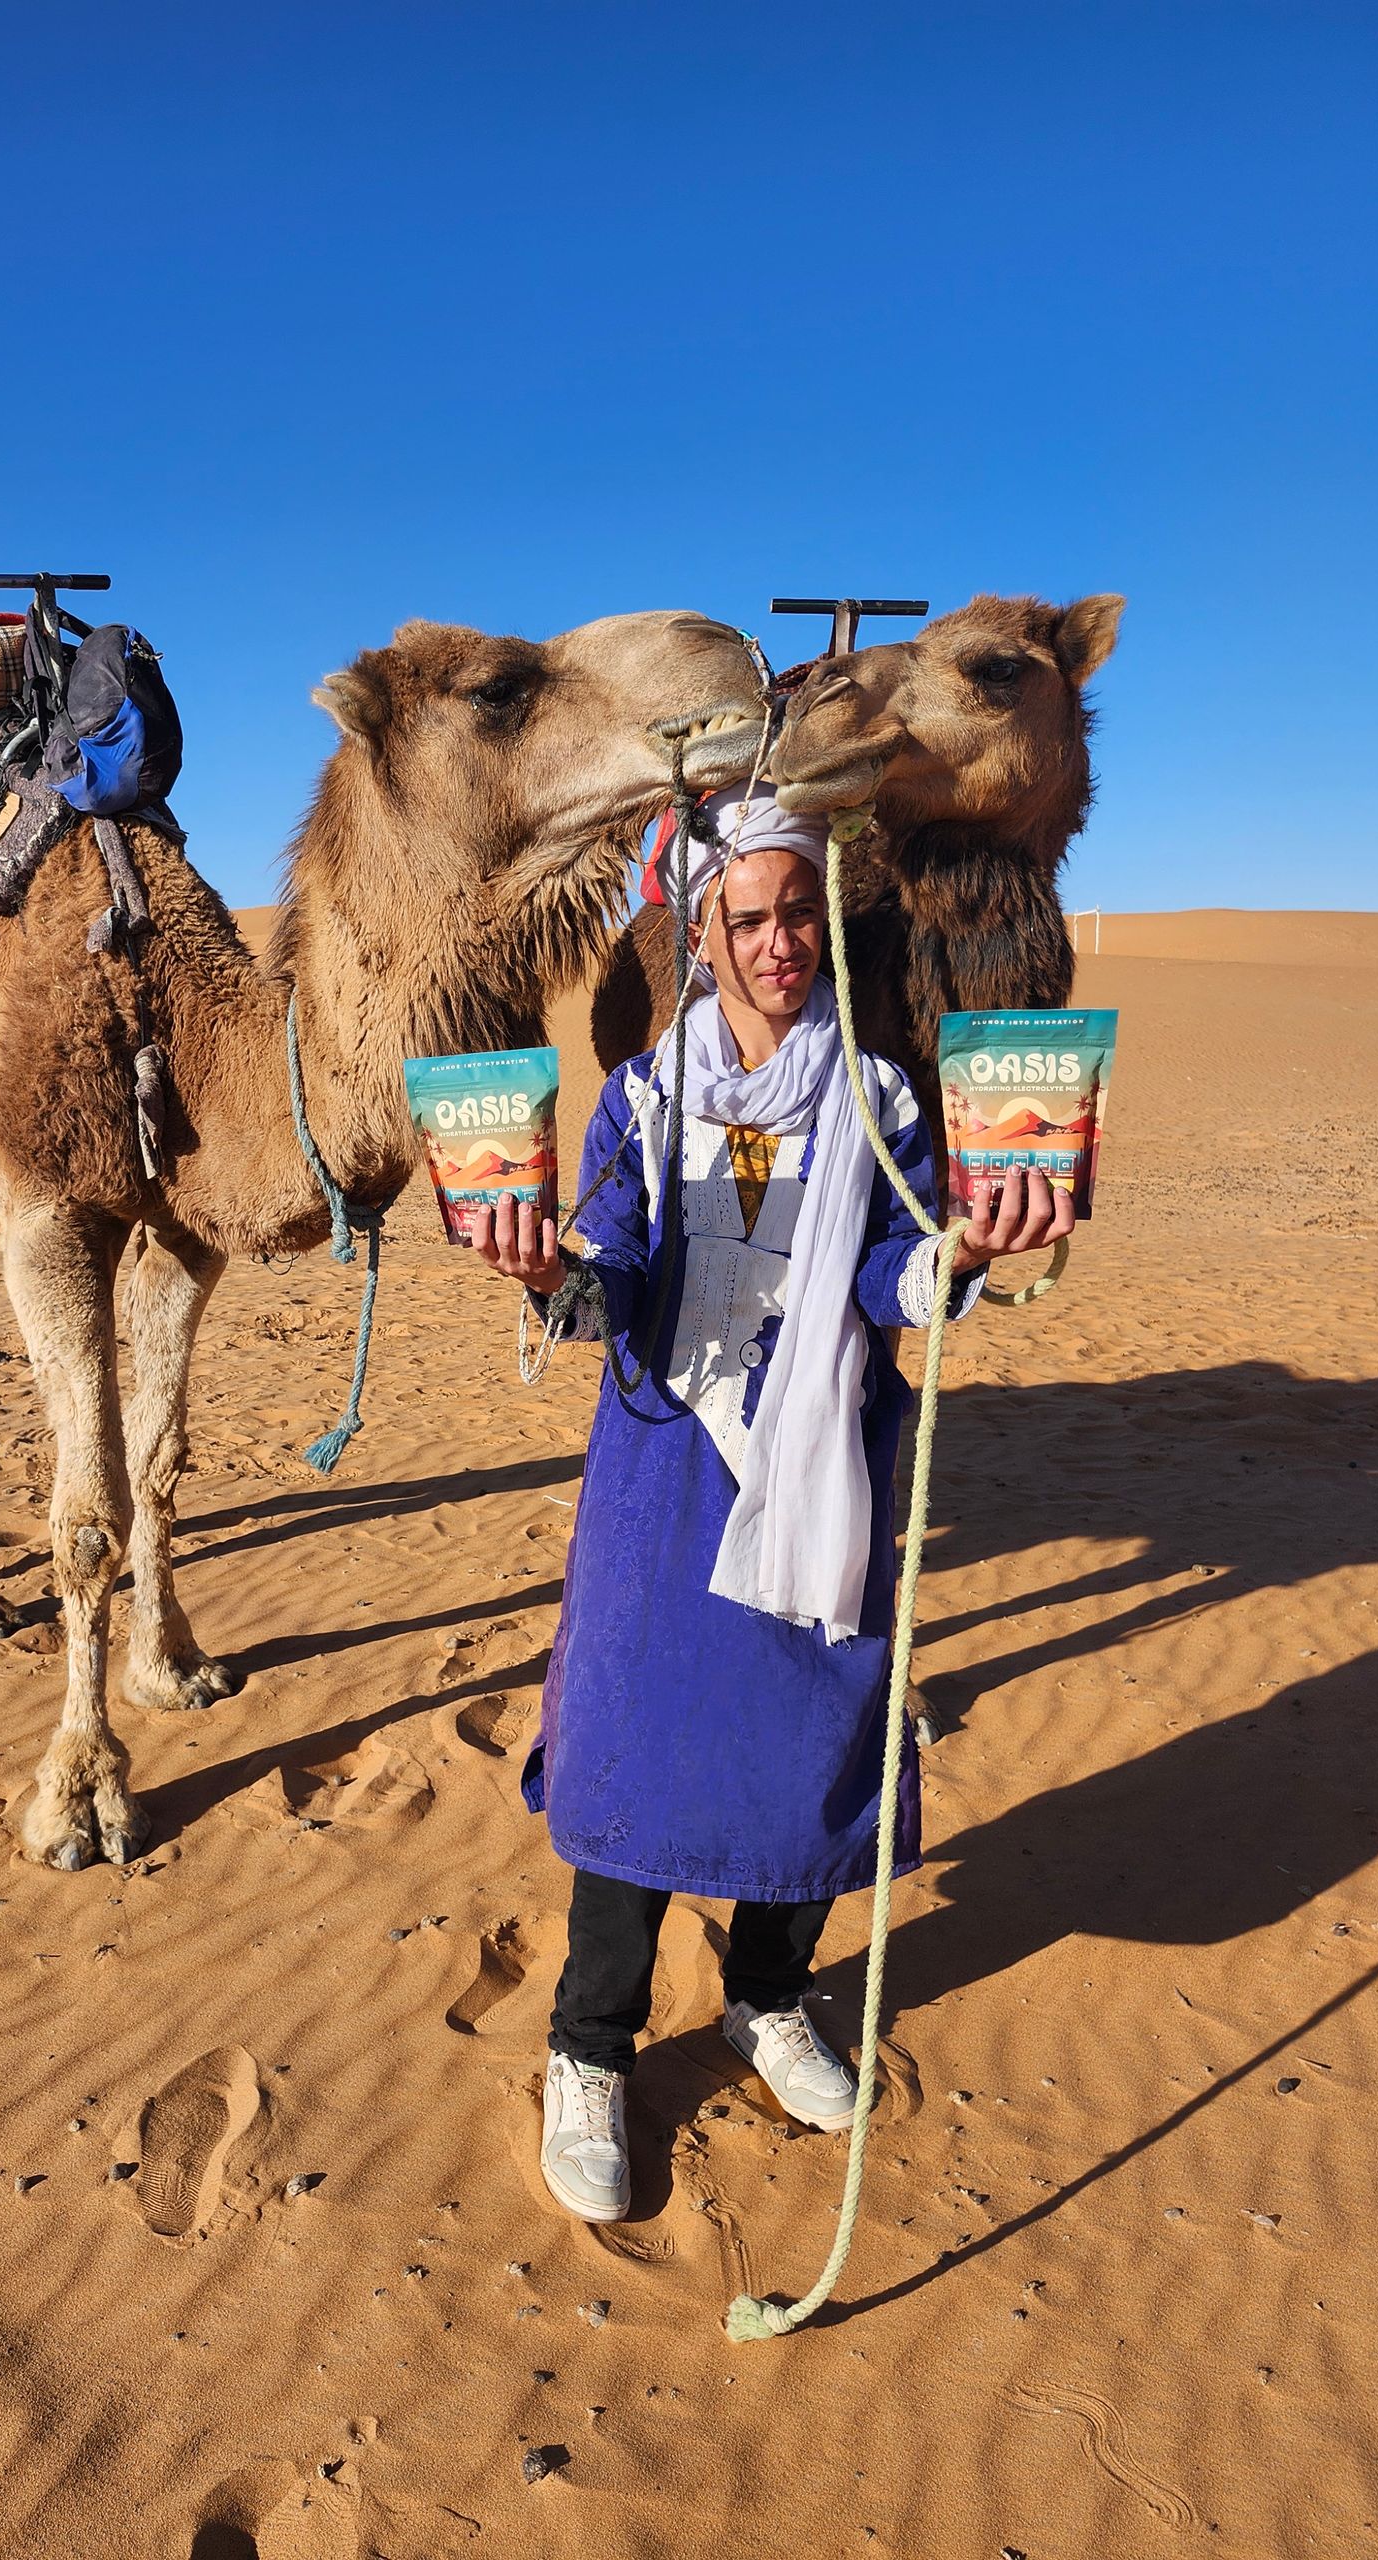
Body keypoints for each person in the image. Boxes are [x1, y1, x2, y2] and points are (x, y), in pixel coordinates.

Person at [478, 782, 1073, 2223]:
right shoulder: (647, 1097)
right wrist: (552, 1270)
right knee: (633, 1748)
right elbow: (617, 1263)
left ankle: (766, 1995)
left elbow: (889, 1271)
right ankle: (591, 2047)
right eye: (748, 919)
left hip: (826, 1470)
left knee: (813, 1745)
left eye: (799, 912)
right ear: (703, 933)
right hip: (669, 1466)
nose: (779, 942)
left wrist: (959, 1262)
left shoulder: (877, 1101)